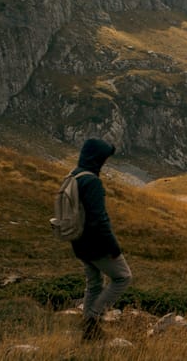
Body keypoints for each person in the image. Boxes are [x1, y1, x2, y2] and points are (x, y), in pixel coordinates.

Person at [70, 138, 132, 342]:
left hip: (78, 241)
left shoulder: (74, 175)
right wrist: (114, 248)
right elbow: (99, 219)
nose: (105, 163)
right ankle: (93, 318)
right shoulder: (92, 182)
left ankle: (89, 332)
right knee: (123, 277)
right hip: (95, 244)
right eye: (104, 159)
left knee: (94, 283)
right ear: (97, 159)